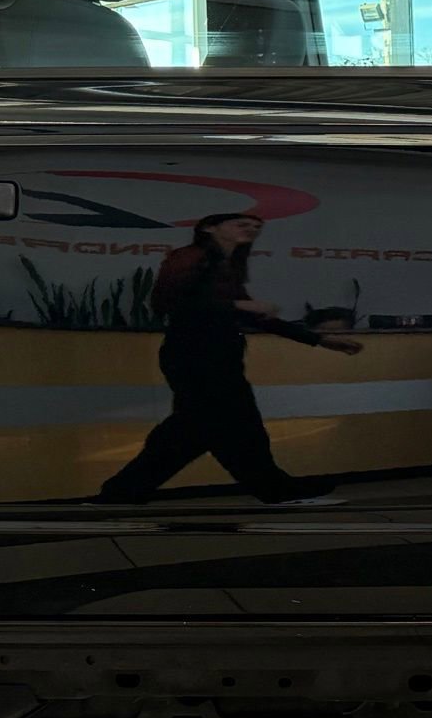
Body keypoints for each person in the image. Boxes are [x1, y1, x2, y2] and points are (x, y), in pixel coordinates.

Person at [99, 212, 362, 505]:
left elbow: (254, 317)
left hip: (210, 355)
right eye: (242, 224)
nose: (252, 229)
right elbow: (166, 300)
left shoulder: (226, 266)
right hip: (197, 355)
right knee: (234, 426)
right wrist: (241, 303)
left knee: (194, 431)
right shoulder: (190, 256)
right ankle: (276, 489)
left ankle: (121, 492)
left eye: (257, 227)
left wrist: (320, 340)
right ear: (209, 228)